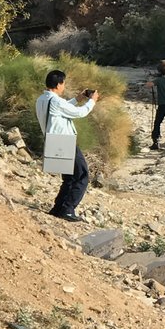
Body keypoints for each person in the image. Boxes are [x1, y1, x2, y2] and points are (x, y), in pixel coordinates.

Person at [35, 69, 98, 222]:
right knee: (82, 175)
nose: (64, 87)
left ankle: (58, 208)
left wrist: (78, 98)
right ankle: (68, 209)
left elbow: (60, 109)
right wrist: (92, 101)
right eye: (63, 84)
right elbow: (79, 113)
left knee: (69, 178)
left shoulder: (42, 99)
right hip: (64, 141)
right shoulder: (56, 101)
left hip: (52, 140)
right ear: (58, 84)